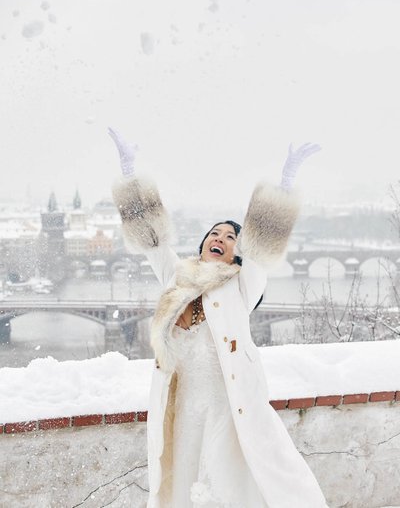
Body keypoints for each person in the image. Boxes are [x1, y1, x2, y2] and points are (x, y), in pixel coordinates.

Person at [110, 127, 328, 508]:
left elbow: (260, 249)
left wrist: (285, 184)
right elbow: (153, 241)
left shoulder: (242, 286)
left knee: (229, 492)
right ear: (202, 245)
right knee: (185, 489)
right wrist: (130, 175)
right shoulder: (177, 280)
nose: (221, 237)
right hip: (186, 413)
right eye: (215, 233)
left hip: (230, 412)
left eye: (230, 237)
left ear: (236, 253)